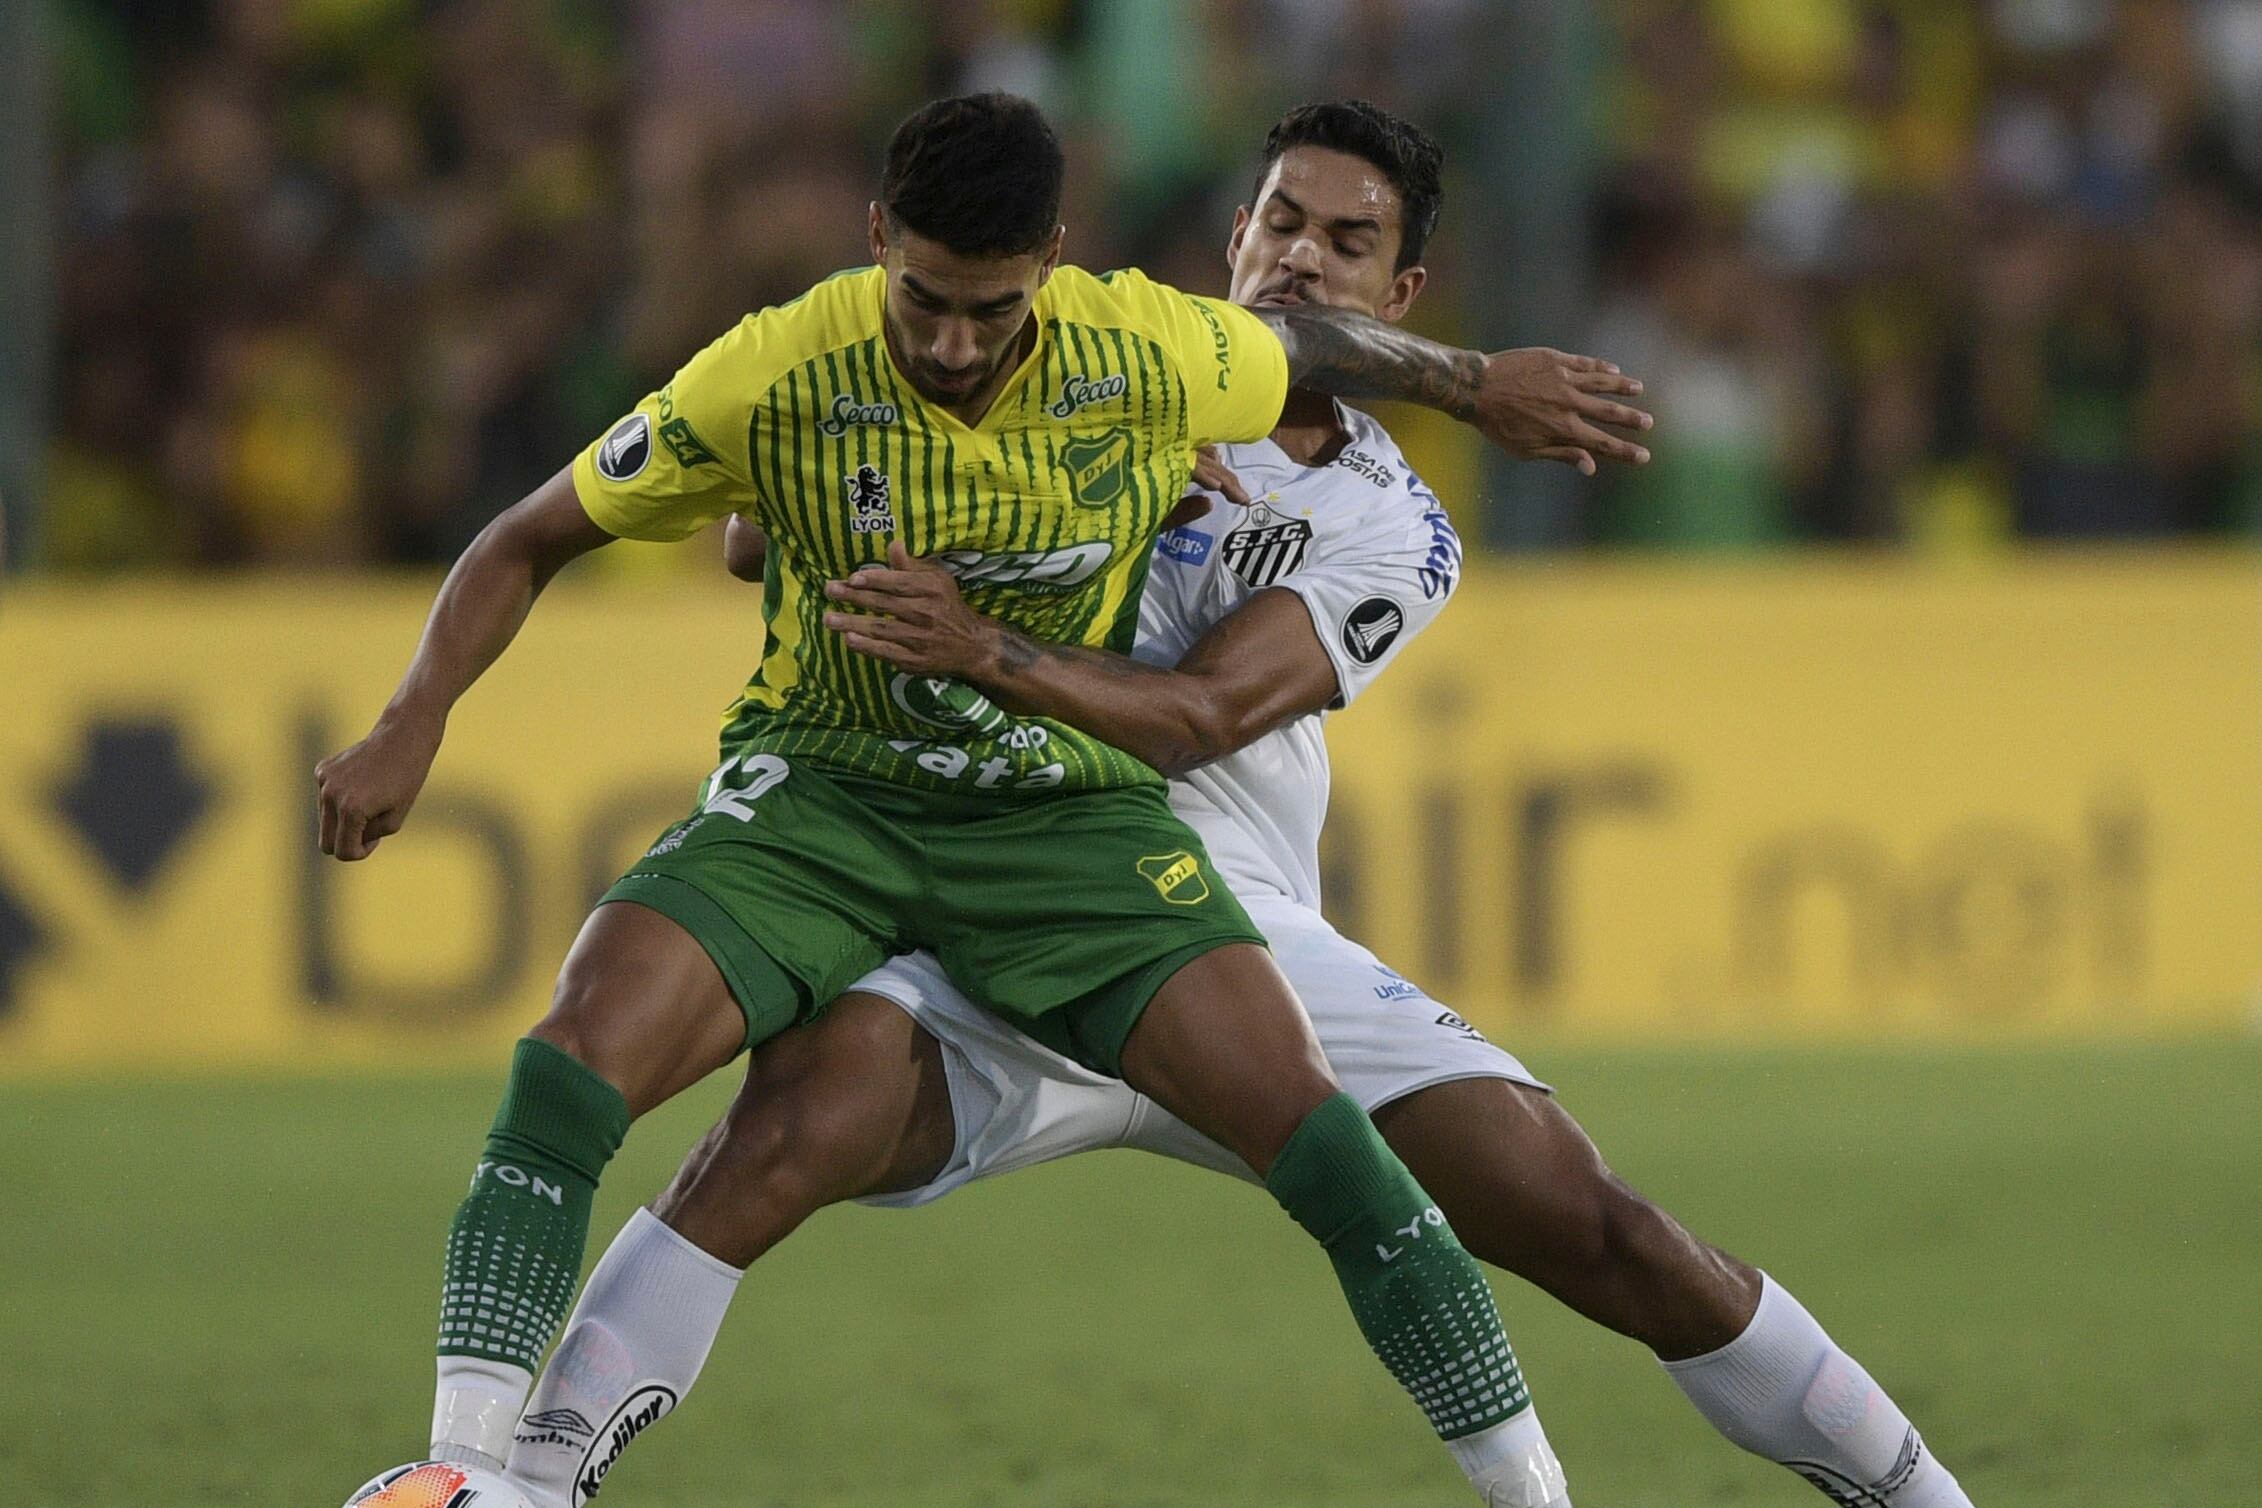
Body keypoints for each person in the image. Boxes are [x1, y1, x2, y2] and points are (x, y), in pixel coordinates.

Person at [505, 102, 1974, 1508]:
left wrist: (992, 632)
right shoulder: (1091, 366)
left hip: (1231, 940)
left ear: (1396, 292)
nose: (1300, 256)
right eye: (1280, 219)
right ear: (1231, 238)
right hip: (980, 875)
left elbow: (1202, 715)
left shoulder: (1389, 529)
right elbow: (765, 537)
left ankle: (1916, 1491)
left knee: (1593, 1222)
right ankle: (512, 1481)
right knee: (778, 1137)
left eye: (1345, 241)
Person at [316, 92, 1655, 1507]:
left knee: (1327, 1151)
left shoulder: (1143, 348)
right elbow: (532, 535)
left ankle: (1535, 1498)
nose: (954, 347)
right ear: (878, 237)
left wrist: (1467, 380)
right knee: (569, 1067)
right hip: (825, 794)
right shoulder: (773, 366)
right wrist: (414, 719)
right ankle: (467, 1481)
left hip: (1058, 820)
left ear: (1054, 264)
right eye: (927, 305)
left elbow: (1308, 344)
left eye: (995, 312)